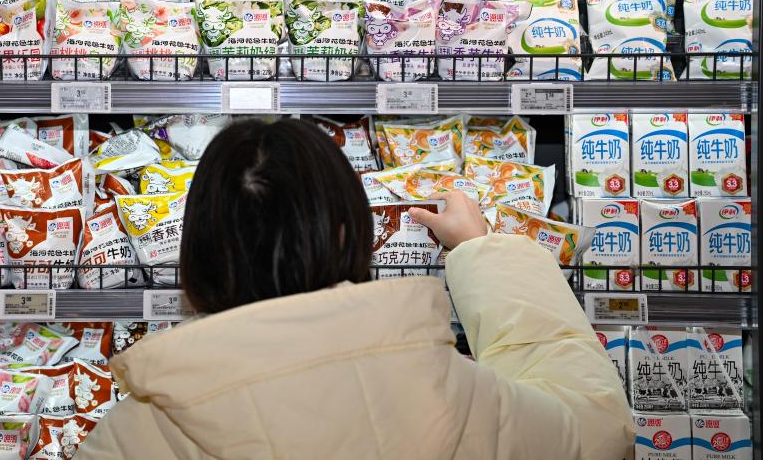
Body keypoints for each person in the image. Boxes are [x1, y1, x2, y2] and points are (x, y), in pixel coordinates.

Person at [76, 119, 634, 460]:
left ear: (194, 254)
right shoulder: (454, 400)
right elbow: (597, 433)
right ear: (349, 234)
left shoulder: (131, 439)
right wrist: (481, 251)